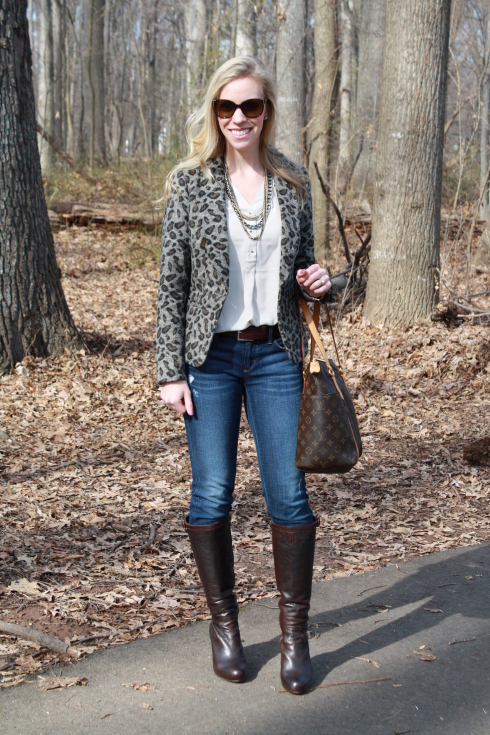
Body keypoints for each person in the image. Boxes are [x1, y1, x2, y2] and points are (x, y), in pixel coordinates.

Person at [156, 56, 332, 695]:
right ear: (214, 112)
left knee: (289, 495)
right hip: (211, 362)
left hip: (278, 356)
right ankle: (225, 627)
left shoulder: (291, 182)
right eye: (227, 107)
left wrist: (321, 281)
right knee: (213, 494)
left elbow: (308, 270)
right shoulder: (189, 183)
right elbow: (170, 285)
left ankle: (294, 637)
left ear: (266, 112)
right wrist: (167, 371)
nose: (238, 118)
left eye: (250, 107)